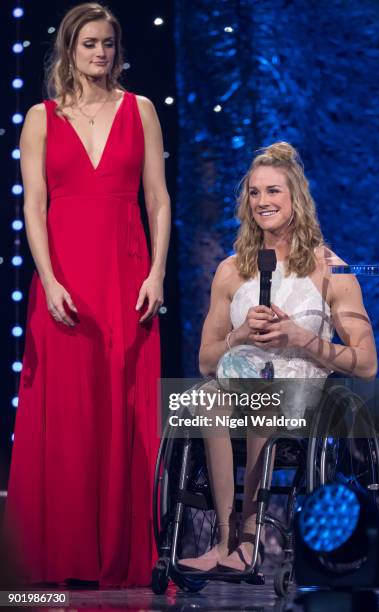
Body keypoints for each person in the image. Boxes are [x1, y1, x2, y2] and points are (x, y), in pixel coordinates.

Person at [4, 2, 170, 588]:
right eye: (89, 44)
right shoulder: (40, 117)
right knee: (69, 415)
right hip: (66, 281)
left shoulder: (140, 110)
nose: (100, 55)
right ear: (68, 50)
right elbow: (32, 207)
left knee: (124, 410)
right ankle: (65, 554)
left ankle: (122, 555)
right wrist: (49, 281)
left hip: (127, 278)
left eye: (107, 44)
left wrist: (156, 273)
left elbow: (158, 199)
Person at [179, 141, 377, 572]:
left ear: (296, 199)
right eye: (254, 193)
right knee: (207, 397)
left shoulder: (331, 270)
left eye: (273, 192)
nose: (262, 202)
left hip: (301, 393)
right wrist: (241, 333)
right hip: (237, 381)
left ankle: (250, 536)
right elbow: (206, 360)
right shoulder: (231, 271)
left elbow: (366, 363)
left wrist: (299, 337)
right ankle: (224, 539)